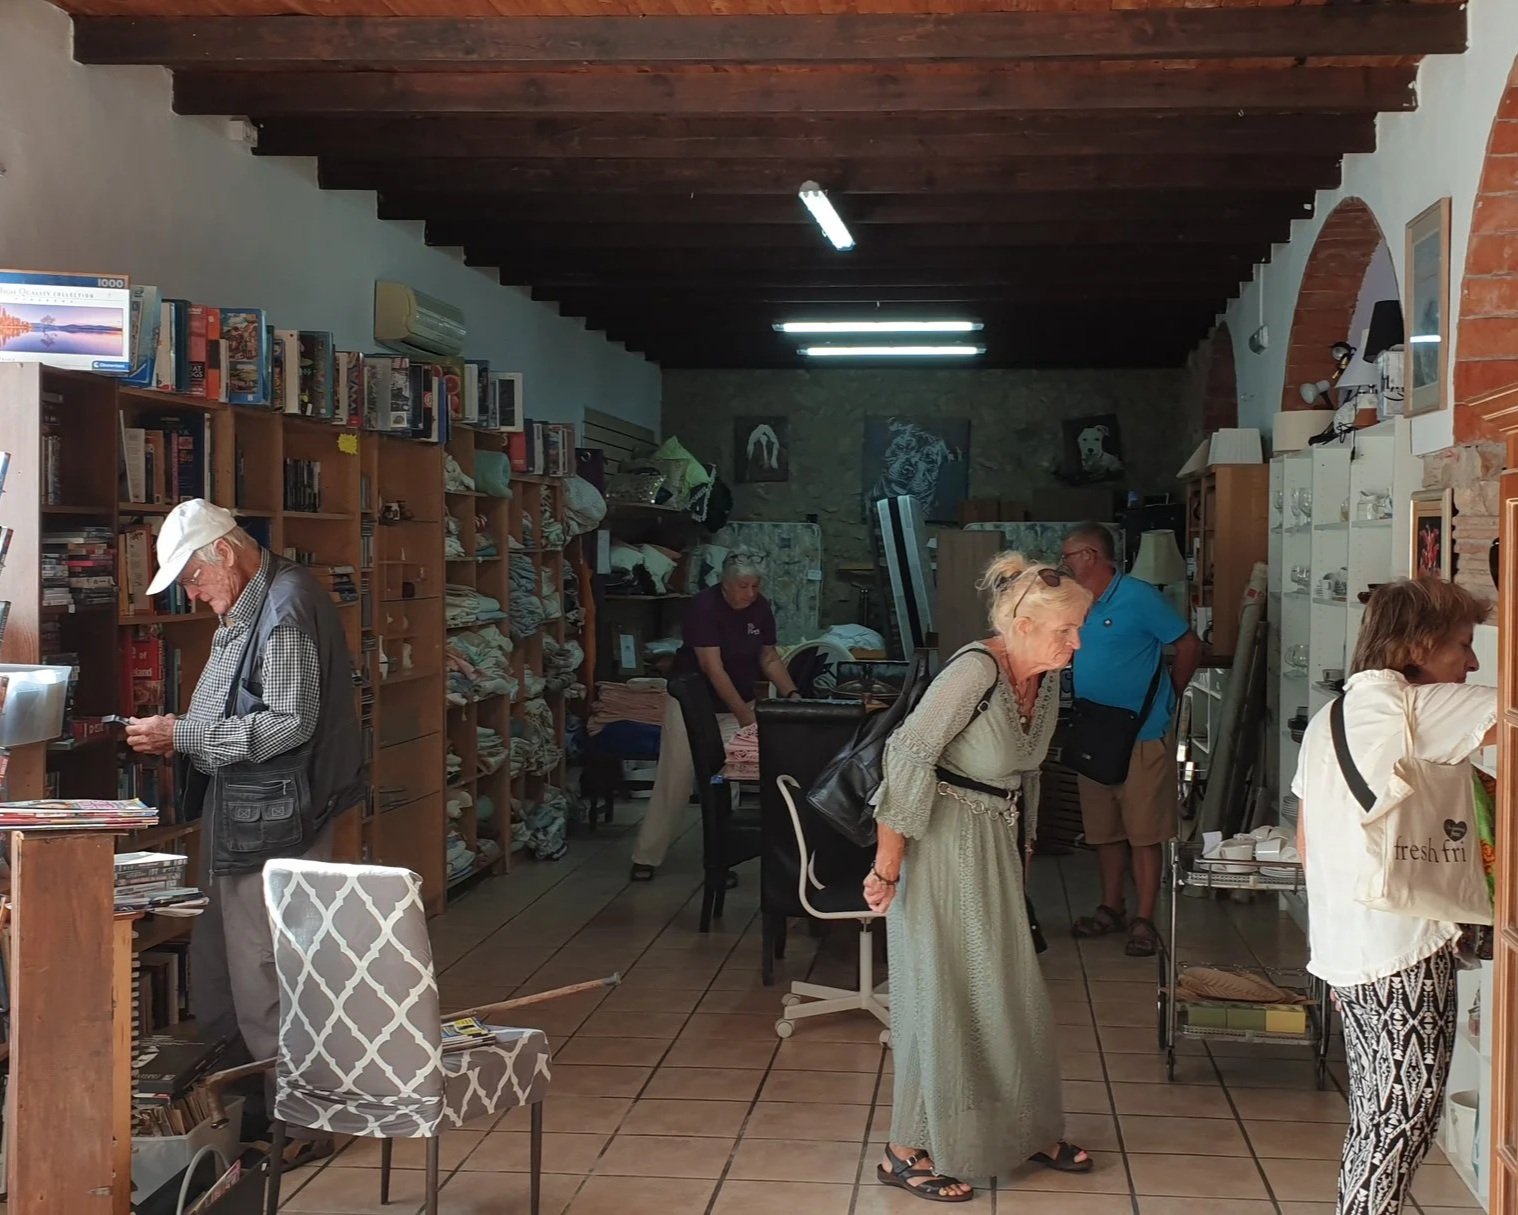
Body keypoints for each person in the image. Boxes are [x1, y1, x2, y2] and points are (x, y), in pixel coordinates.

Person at [124, 500, 367, 1162]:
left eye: (194, 578)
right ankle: (251, 1111)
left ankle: (303, 1124)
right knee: (223, 970)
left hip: (275, 818)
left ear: (225, 554)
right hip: (251, 811)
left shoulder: (282, 610)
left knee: (265, 976)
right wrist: (185, 730)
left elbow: (288, 722)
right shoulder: (254, 599)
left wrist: (181, 735)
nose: (194, 594)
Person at [864, 553, 1094, 1203]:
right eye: (1066, 630)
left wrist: (1024, 848)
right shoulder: (973, 671)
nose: (1076, 642)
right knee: (941, 996)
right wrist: (887, 866)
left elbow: (1025, 773)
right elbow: (907, 755)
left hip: (993, 845)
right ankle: (904, 1150)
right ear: (1022, 624)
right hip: (940, 846)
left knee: (1010, 991)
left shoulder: (1043, 678)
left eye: (1079, 628)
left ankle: (1026, 1128)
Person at [1293, 578, 1496, 1215]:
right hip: (1402, 945)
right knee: (1403, 1118)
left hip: (1347, 947)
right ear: (1418, 646)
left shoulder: (1329, 719)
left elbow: (1307, 841)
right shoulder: (1421, 708)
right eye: (1462, 645)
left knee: (1378, 1117)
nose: (1473, 663)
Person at [1061, 523, 1202, 957]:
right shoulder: (1076, 601)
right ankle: (1111, 906)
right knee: (1104, 830)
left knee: (1144, 831)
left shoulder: (1139, 597)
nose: (1064, 564)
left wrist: (1170, 696)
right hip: (1094, 730)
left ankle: (1144, 918)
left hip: (1141, 733)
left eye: (1068, 556)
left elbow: (1188, 645)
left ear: (1090, 555)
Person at [630, 553, 800, 880]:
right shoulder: (704, 607)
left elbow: (768, 658)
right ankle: (646, 856)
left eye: (755, 586)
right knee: (676, 780)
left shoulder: (761, 608)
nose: (750, 593)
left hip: (737, 704)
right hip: (692, 705)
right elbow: (712, 668)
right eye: (742, 586)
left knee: (726, 779)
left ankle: (722, 858)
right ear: (725, 584)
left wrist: (794, 695)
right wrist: (747, 718)